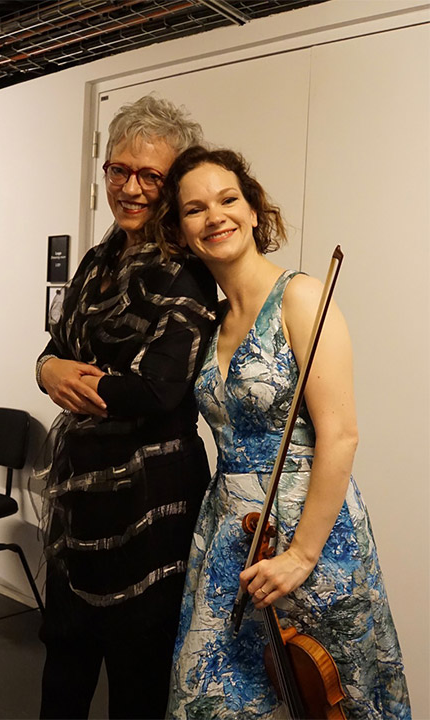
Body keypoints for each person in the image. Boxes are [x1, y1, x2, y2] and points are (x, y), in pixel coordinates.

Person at [149, 145, 411, 719]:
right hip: (230, 532)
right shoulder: (208, 321)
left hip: (308, 535)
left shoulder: (301, 296)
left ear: (251, 209)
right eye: (194, 209)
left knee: (320, 696)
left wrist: (301, 555)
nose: (214, 215)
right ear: (179, 228)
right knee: (219, 700)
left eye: (227, 199)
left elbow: (341, 434)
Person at [34, 98, 218, 720]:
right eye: (119, 170)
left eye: (151, 176)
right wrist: (46, 368)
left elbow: (158, 392)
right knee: (64, 664)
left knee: (137, 682)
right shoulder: (96, 261)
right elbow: (56, 346)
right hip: (78, 510)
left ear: (172, 185)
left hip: (151, 512)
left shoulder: (187, 274)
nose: (130, 188)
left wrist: (71, 376)